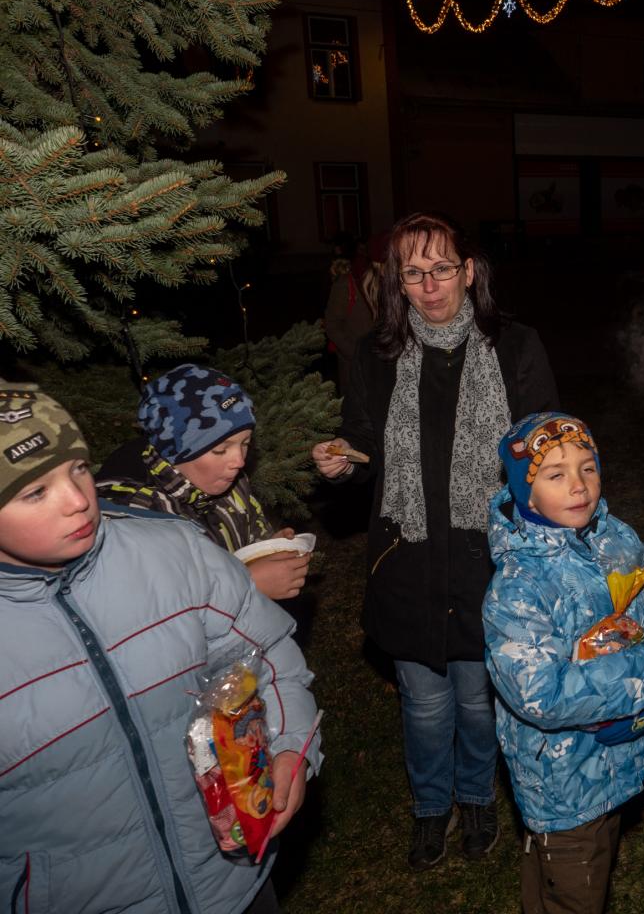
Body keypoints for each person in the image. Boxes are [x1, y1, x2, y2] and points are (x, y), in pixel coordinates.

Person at [0, 387, 320, 914]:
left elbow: (268, 657)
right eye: (35, 492)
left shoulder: (175, 550)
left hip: (232, 884)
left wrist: (290, 748)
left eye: (78, 469)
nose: (78, 499)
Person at [310, 212, 557, 869]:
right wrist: (342, 460)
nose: (429, 285)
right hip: (409, 555)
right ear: (398, 282)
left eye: (441, 268)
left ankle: (475, 796)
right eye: (413, 273)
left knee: (477, 700)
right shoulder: (377, 355)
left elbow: (545, 444)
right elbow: (362, 439)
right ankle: (429, 805)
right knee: (423, 705)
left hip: (489, 555)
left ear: (468, 272)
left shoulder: (516, 346)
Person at [483, 411, 644, 914]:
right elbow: (542, 695)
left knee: (584, 864)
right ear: (527, 494)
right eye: (556, 474)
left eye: (588, 468)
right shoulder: (518, 588)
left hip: (620, 759)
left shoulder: (614, 539)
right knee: (576, 885)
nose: (579, 486)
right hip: (562, 783)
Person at [96, 364, 312, 601]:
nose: (239, 461)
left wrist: (267, 548)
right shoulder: (135, 517)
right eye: (220, 450)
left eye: (245, 443)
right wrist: (247, 586)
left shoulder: (230, 482)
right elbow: (151, 607)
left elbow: (249, 536)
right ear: (175, 452)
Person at [325, 233, 384, 393]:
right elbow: (331, 325)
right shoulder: (346, 285)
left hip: (383, 365)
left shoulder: (391, 283)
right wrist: (355, 353)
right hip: (355, 365)